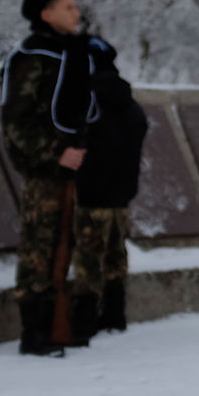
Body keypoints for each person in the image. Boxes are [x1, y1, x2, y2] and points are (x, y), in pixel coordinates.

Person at [0, 0, 98, 355]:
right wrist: (56, 153)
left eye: (75, 5)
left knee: (65, 244)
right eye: (68, 6)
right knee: (39, 248)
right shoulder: (32, 56)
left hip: (74, 167)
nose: (76, 13)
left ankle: (63, 324)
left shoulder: (72, 52)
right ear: (46, 14)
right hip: (45, 170)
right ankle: (35, 331)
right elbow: (17, 121)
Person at [77, 34, 148, 336]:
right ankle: (115, 313)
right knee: (116, 252)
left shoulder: (88, 98)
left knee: (89, 256)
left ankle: (84, 318)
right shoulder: (127, 100)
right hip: (121, 192)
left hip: (91, 191)